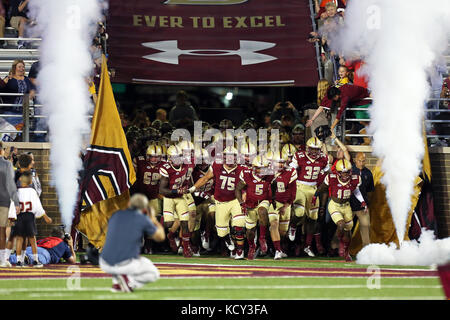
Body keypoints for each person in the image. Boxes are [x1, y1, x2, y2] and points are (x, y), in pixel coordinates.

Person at [99, 194, 165, 293]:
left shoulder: (116, 215)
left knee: (140, 261)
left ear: (129, 203)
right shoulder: (143, 219)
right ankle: (129, 282)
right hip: (125, 263)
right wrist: (153, 219)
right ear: (144, 208)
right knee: (153, 273)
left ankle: (117, 284)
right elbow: (160, 237)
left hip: (104, 261)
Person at [189, 146, 246, 259]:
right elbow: (205, 178)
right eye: (227, 157)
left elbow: (247, 186)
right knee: (221, 232)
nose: (230, 159)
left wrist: (244, 199)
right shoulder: (216, 166)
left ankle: (240, 251)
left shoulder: (241, 169)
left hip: (235, 200)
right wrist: (193, 188)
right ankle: (229, 240)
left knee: (239, 224)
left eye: (232, 156)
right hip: (220, 202)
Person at [314, 159, 368, 261]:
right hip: (334, 205)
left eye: (347, 172)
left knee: (348, 231)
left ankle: (346, 252)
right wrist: (315, 196)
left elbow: (355, 190)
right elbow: (322, 187)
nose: (345, 175)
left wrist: (362, 201)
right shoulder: (331, 178)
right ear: (338, 173)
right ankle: (338, 239)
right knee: (341, 224)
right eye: (342, 173)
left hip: (346, 206)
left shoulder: (355, 179)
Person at [288, 137, 329, 257]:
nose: (315, 152)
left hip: (313, 189)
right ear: (307, 148)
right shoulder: (299, 156)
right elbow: (291, 170)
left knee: (312, 218)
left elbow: (327, 174)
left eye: (317, 149)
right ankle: (293, 226)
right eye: (312, 149)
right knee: (299, 213)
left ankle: (307, 246)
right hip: (300, 186)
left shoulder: (324, 158)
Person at [9, 171, 52, 267]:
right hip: (29, 217)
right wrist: (45, 216)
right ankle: (36, 260)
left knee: (20, 239)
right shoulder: (32, 191)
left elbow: (13, 205)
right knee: (32, 239)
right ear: (31, 182)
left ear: (20, 179)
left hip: (19, 216)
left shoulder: (16, 191)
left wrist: (11, 218)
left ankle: (19, 261)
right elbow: (38, 206)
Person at [159, 144, 195, 258]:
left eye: (179, 156)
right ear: (169, 158)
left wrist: (189, 189)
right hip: (169, 198)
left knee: (185, 222)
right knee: (169, 223)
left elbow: (189, 179)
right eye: (174, 157)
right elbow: (162, 190)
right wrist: (177, 191)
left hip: (181, 197)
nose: (177, 160)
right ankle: (168, 233)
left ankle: (185, 248)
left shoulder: (187, 165)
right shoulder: (166, 168)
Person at [236, 155, 273, 260]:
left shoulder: (271, 176)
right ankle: (252, 246)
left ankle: (262, 238)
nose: (261, 171)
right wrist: (241, 203)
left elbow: (274, 187)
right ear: (253, 167)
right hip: (250, 204)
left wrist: (272, 199)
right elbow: (238, 189)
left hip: (263, 201)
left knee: (262, 211)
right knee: (250, 232)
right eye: (259, 168)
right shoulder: (247, 174)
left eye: (264, 168)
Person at [267, 150, 297, 260]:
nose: (279, 164)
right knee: (274, 224)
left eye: (282, 162)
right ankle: (277, 250)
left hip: (285, 203)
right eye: (277, 162)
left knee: (283, 232)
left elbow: (293, 192)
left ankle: (275, 247)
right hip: (272, 203)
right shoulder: (267, 172)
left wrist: (286, 205)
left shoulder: (291, 171)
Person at [9, 225, 76, 265]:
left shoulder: (45, 239)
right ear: (63, 237)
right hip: (46, 253)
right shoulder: (63, 244)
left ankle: (7, 258)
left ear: (51, 235)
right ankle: (27, 258)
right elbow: (73, 261)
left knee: (14, 257)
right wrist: (71, 246)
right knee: (38, 259)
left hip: (31, 248)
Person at [0, 141, 20, 267]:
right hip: (3, 201)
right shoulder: (6, 164)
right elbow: (11, 185)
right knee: (2, 231)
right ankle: (2, 259)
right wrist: (16, 202)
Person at [0, 60, 36, 128]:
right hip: (9, 112)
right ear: (15, 68)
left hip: (22, 113)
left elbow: (33, 88)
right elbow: (1, 88)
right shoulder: (9, 78)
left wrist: (31, 93)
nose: (22, 69)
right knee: (10, 134)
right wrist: (4, 82)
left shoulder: (26, 79)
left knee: (20, 135)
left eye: (23, 67)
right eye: (19, 67)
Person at [350, 152, 374, 248]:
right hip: (349, 204)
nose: (361, 163)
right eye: (359, 161)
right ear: (355, 160)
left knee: (365, 227)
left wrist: (367, 203)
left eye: (363, 161)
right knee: (344, 227)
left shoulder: (368, 173)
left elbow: (370, 191)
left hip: (362, 206)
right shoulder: (349, 170)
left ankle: (366, 249)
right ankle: (336, 248)